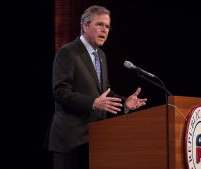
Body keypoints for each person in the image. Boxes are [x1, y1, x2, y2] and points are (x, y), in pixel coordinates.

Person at [46, 5, 147, 169]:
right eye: (99, 25)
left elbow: (104, 94)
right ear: (84, 26)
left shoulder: (101, 56)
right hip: (70, 141)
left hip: (95, 139)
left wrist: (125, 103)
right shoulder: (68, 52)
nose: (104, 30)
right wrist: (92, 102)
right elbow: (60, 93)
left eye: (107, 26)